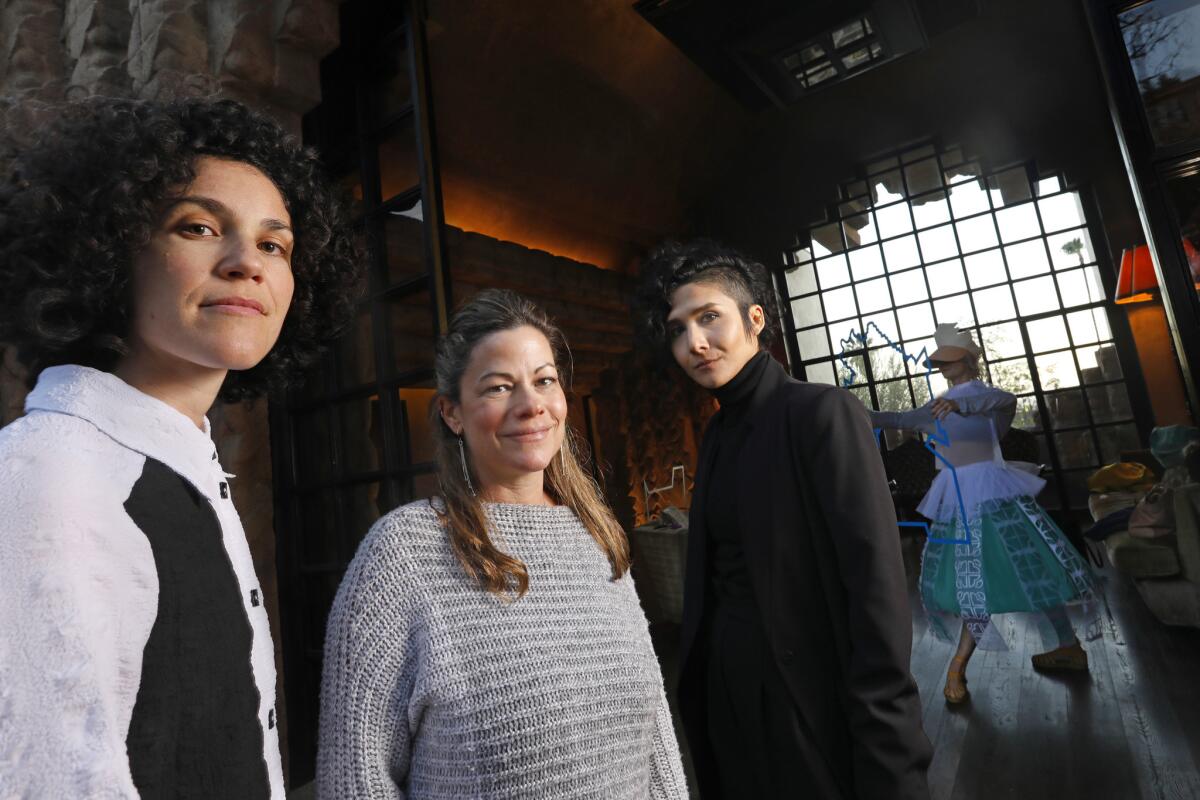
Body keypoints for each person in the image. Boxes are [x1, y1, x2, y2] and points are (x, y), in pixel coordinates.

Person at [0, 96, 362, 797]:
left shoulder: (183, 468)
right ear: (105, 248)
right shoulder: (50, 479)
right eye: (198, 226)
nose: (246, 263)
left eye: (274, 244)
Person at [317, 289, 687, 799]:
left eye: (544, 380)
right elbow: (356, 780)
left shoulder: (595, 536)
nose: (531, 405)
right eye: (498, 387)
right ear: (452, 413)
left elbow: (656, 737)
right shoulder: (402, 555)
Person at [634, 240, 931, 800]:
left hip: (803, 698)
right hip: (727, 694)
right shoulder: (719, 433)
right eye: (677, 329)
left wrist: (891, 753)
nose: (694, 343)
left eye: (709, 318)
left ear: (754, 320)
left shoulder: (821, 413)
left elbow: (876, 593)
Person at [867, 323, 1097, 704]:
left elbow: (1005, 401)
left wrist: (963, 403)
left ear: (969, 361)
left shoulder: (990, 400)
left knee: (1031, 570)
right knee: (975, 580)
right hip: (960, 499)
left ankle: (1065, 646)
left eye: (950, 360)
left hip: (994, 493)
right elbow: (898, 419)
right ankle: (961, 664)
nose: (942, 367)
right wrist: (853, 409)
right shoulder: (937, 407)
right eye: (939, 361)